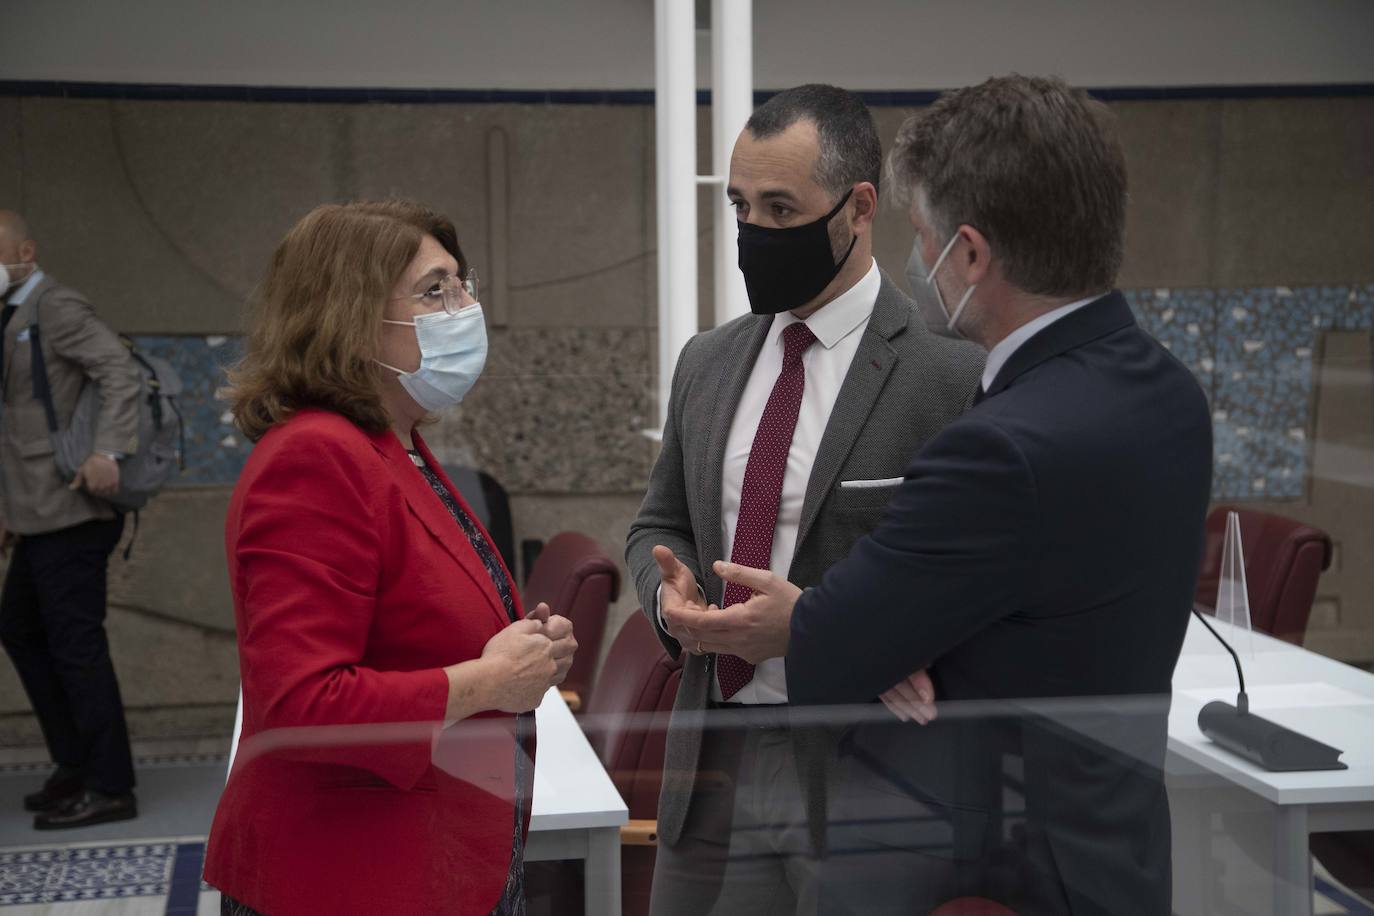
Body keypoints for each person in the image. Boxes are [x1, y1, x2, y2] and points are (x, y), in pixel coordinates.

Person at [688, 75, 1214, 914]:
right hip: (1112, 848)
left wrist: (847, 625)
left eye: (923, 236)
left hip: (977, 853)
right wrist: (899, 628)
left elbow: (845, 636)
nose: (915, 260)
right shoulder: (1167, 392)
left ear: (970, 255)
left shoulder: (999, 445)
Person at [626, 85, 983, 915]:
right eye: (741, 206)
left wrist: (820, 619)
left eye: (781, 208)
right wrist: (666, 592)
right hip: (709, 756)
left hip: (867, 773)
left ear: (860, 208)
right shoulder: (708, 362)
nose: (754, 233)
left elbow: (973, 577)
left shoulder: (950, 372)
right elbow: (659, 520)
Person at [203, 200, 577, 915]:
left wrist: (522, 647)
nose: (464, 308)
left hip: (435, 845)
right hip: (351, 871)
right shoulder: (316, 456)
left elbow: (415, 620)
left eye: (462, 284)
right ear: (348, 315)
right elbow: (303, 705)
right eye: (434, 291)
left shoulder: (395, 444)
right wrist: (489, 679)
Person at [0, 209, 143, 829]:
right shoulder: (12, 314)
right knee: (23, 630)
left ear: (26, 249)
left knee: (76, 647)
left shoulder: (54, 305)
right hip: (35, 512)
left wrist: (108, 450)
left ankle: (110, 785)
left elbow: (119, 370)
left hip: (74, 507)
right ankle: (76, 765)